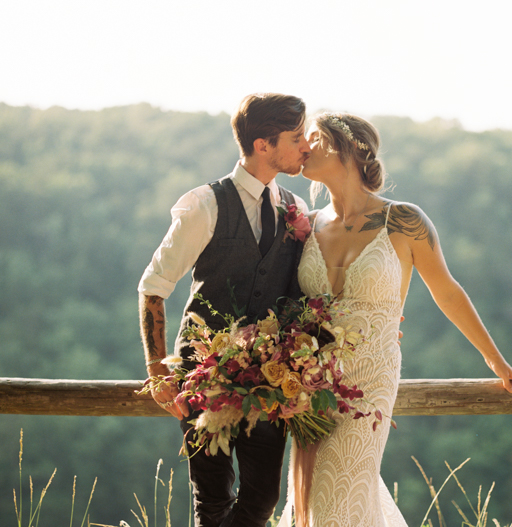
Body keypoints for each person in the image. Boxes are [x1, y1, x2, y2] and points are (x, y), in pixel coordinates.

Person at [278, 112, 512, 526]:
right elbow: (285, 305)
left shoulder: (405, 220)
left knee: (338, 498)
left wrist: (495, 360)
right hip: (311, 385)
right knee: (313, 502)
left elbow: (447, 292)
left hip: (369, 382)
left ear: (347, 147)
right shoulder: (305, 226)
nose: (303, 146)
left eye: (313, 137)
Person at [138, 93, 311, 527]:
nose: (306, 145)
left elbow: (302, 295)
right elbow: (153, 287)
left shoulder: (296, 208)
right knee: (212, 499)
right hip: (203, 377)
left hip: (269, 383)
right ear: (262, 145)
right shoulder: (204, 205)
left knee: (262, 500)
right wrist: (159, 372)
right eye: (295, 137)